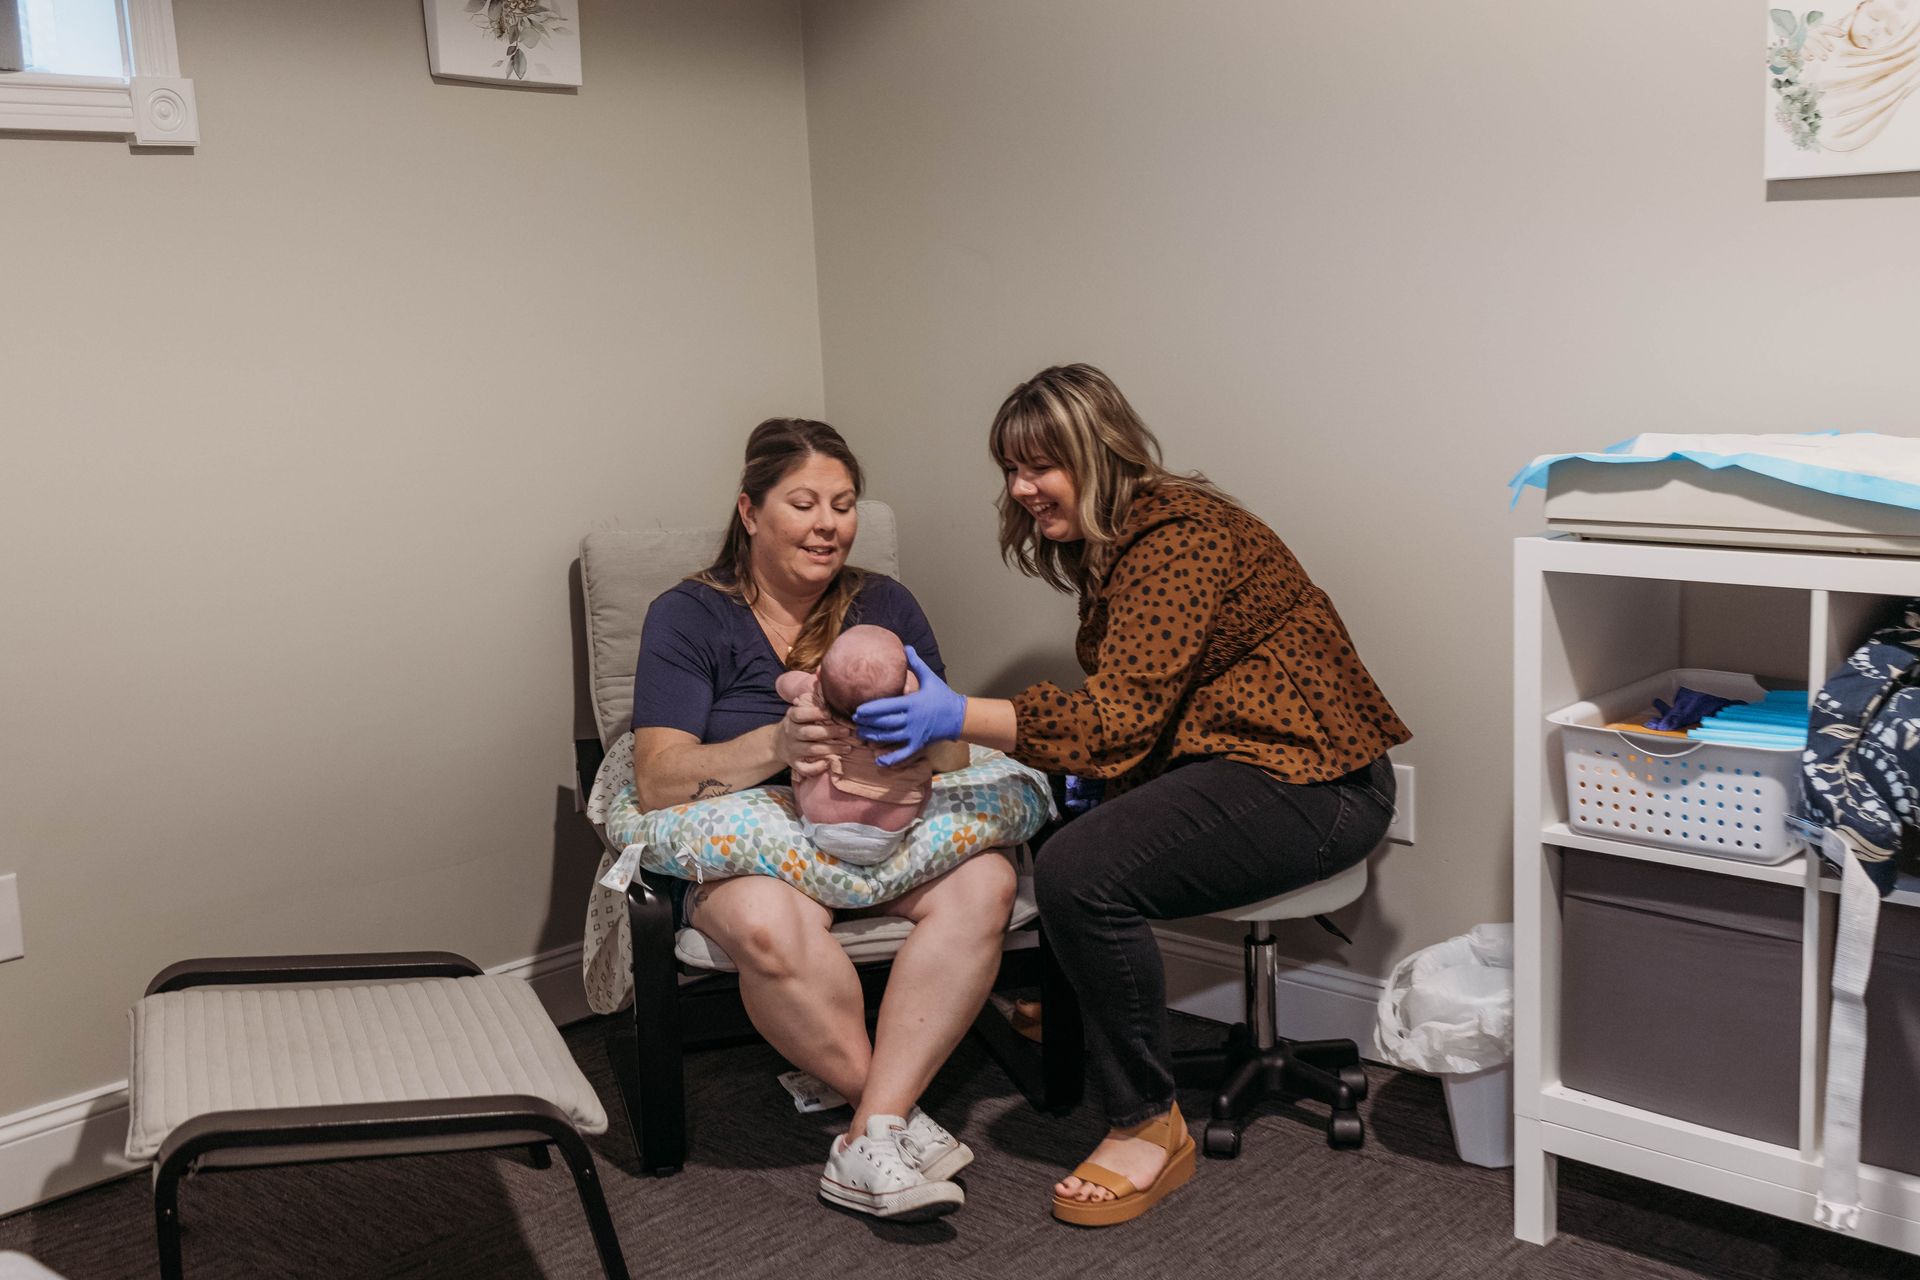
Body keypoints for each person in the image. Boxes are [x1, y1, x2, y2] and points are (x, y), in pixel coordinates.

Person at [854, 365, 1411, 1227]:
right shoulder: (1121, 540)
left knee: (1081, 869)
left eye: (1041, 465)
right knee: (1062, 805)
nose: (1021, 488)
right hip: (1242, 759)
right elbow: (1142, 713)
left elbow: (1118, 719)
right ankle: (1088, 1019)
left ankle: (1149, 1125)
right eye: (1010, 468)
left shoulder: (1178, 537)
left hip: (1318, 783)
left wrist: (956, 711)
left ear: (1100, 449)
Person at [629, 418, 1014, 1222]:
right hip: (758, 839)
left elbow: (951, 756)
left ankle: (868, 1128)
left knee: (988, 881)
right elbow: (658, 779)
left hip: (881, 827)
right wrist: (774, 742)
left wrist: (913, 741)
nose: (828, 523)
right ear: (750, 511)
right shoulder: (689, 615)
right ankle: (890, 1121)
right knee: (768, 924)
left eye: (843, 504)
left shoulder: (886, 605)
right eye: (803, 502)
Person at [775, 625, 937, 866]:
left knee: (808, 764)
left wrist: (805, 681)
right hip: (893, 825)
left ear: (819, 674)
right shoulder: (908, 706)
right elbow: (918, 689)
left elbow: (783, 684)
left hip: (822, 820)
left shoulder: (814, 694)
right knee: (918, 769)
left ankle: (802, 813)